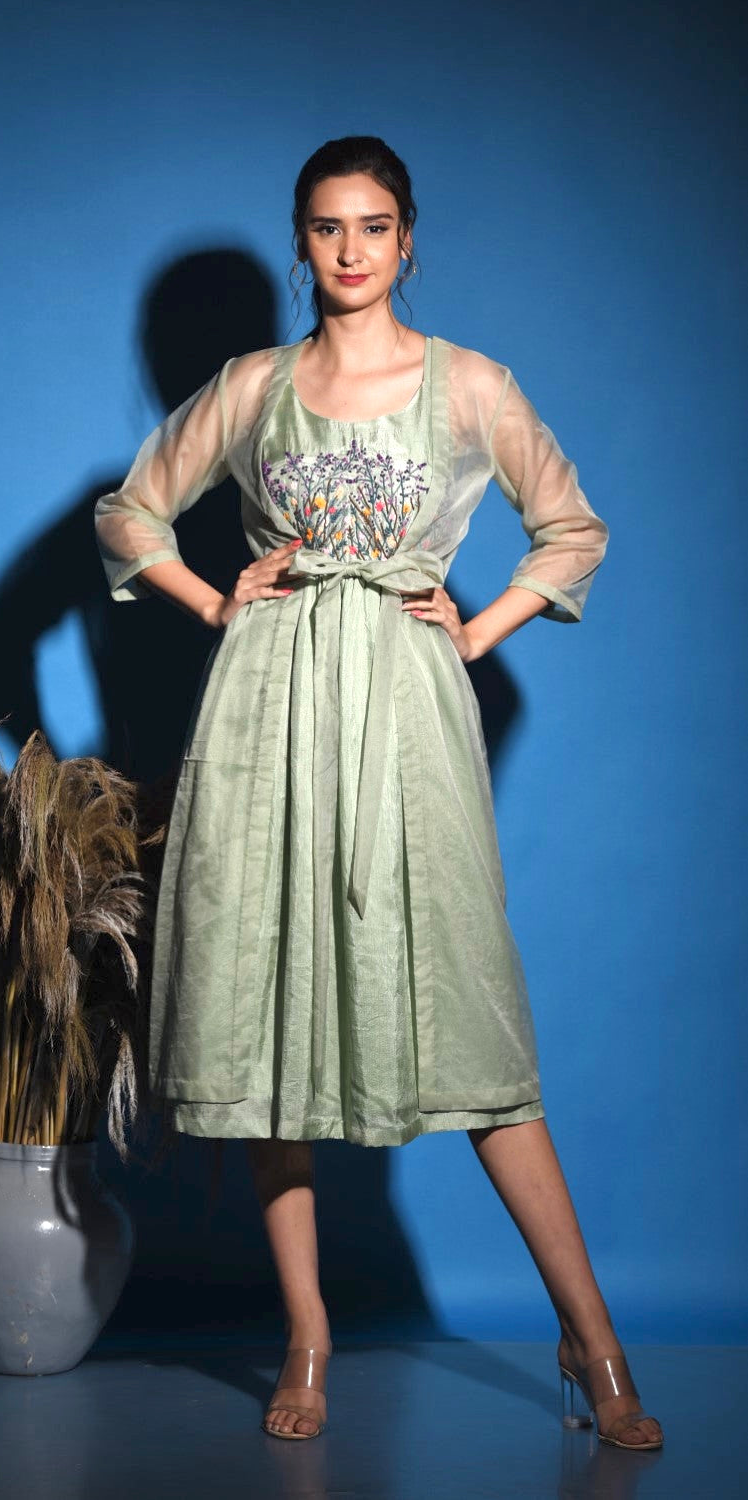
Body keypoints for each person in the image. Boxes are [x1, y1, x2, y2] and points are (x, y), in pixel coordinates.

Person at [93, 135, 663, 1450]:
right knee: (265, 1022)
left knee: (474, 1020)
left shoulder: (470, 385)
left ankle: (593, 1341)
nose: (349, 250)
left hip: (405, 715)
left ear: (407, 241)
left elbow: (571, 527)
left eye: (372, 226)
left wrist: (477, 628)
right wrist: (213, 599)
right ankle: (306, 1335)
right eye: (325, 227)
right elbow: (131, 513)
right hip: (266, 713)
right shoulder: (253, 386)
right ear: (301, 245)